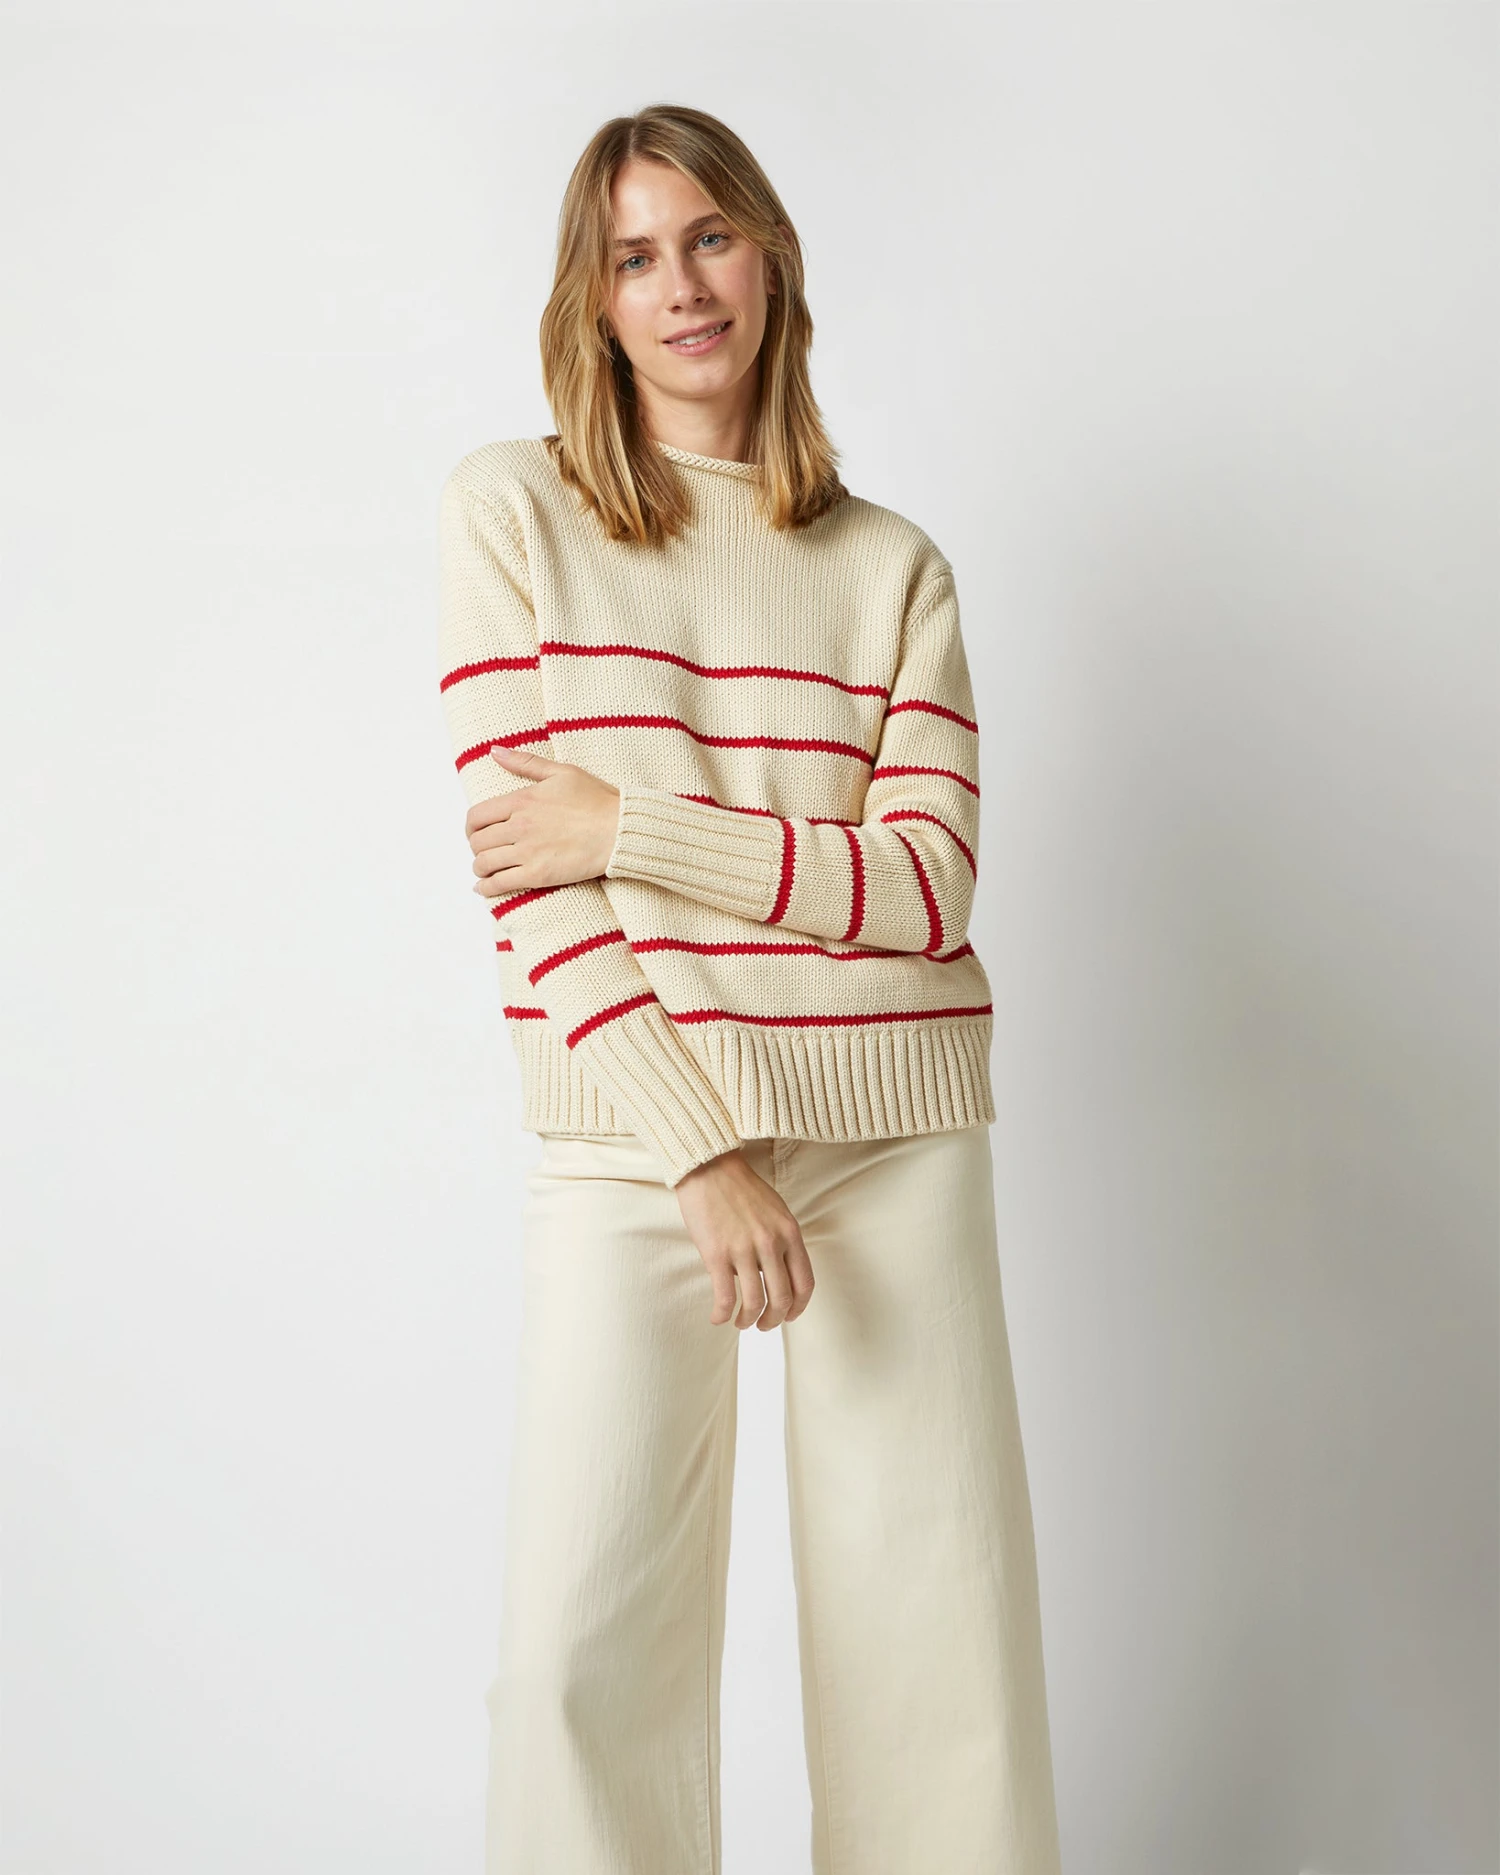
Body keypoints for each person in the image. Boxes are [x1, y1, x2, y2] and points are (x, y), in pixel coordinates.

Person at [436, 102, 1063, 1875]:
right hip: (639, 1129)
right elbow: (534, 887)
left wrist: (629, 823)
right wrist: (700, 1149)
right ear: (594, 299)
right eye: (633, 256)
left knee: (936, 1634)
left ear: (772, 255)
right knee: (577, 1654)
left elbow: (925, 889)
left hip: (891, 1132)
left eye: (709, 237)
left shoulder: (892, 567)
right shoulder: (513, 512)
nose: (681, 285)